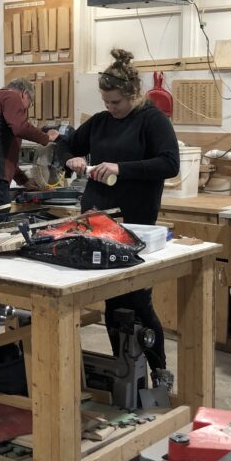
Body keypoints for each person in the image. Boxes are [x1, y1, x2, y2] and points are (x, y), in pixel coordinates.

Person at [59, 48, 180, 391]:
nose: (110, 108)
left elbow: (170, 164)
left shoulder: (151, 120)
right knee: (112, 300)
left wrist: (120, 169)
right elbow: (65, 147)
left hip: (135, 221)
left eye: (116, 102)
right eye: (106, 101)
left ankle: (159, 370)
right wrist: (72, 160)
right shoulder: (99, 122)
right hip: (96, 220)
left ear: (133, 94)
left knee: (138, 299)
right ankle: (126, 371)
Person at [0, 77, 59, 323]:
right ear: (25, 94)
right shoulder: (11, 97)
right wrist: (47, 138)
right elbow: (20, 127)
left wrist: (23, 179)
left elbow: (4, 147)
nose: (25, 110)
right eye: (29, 105)